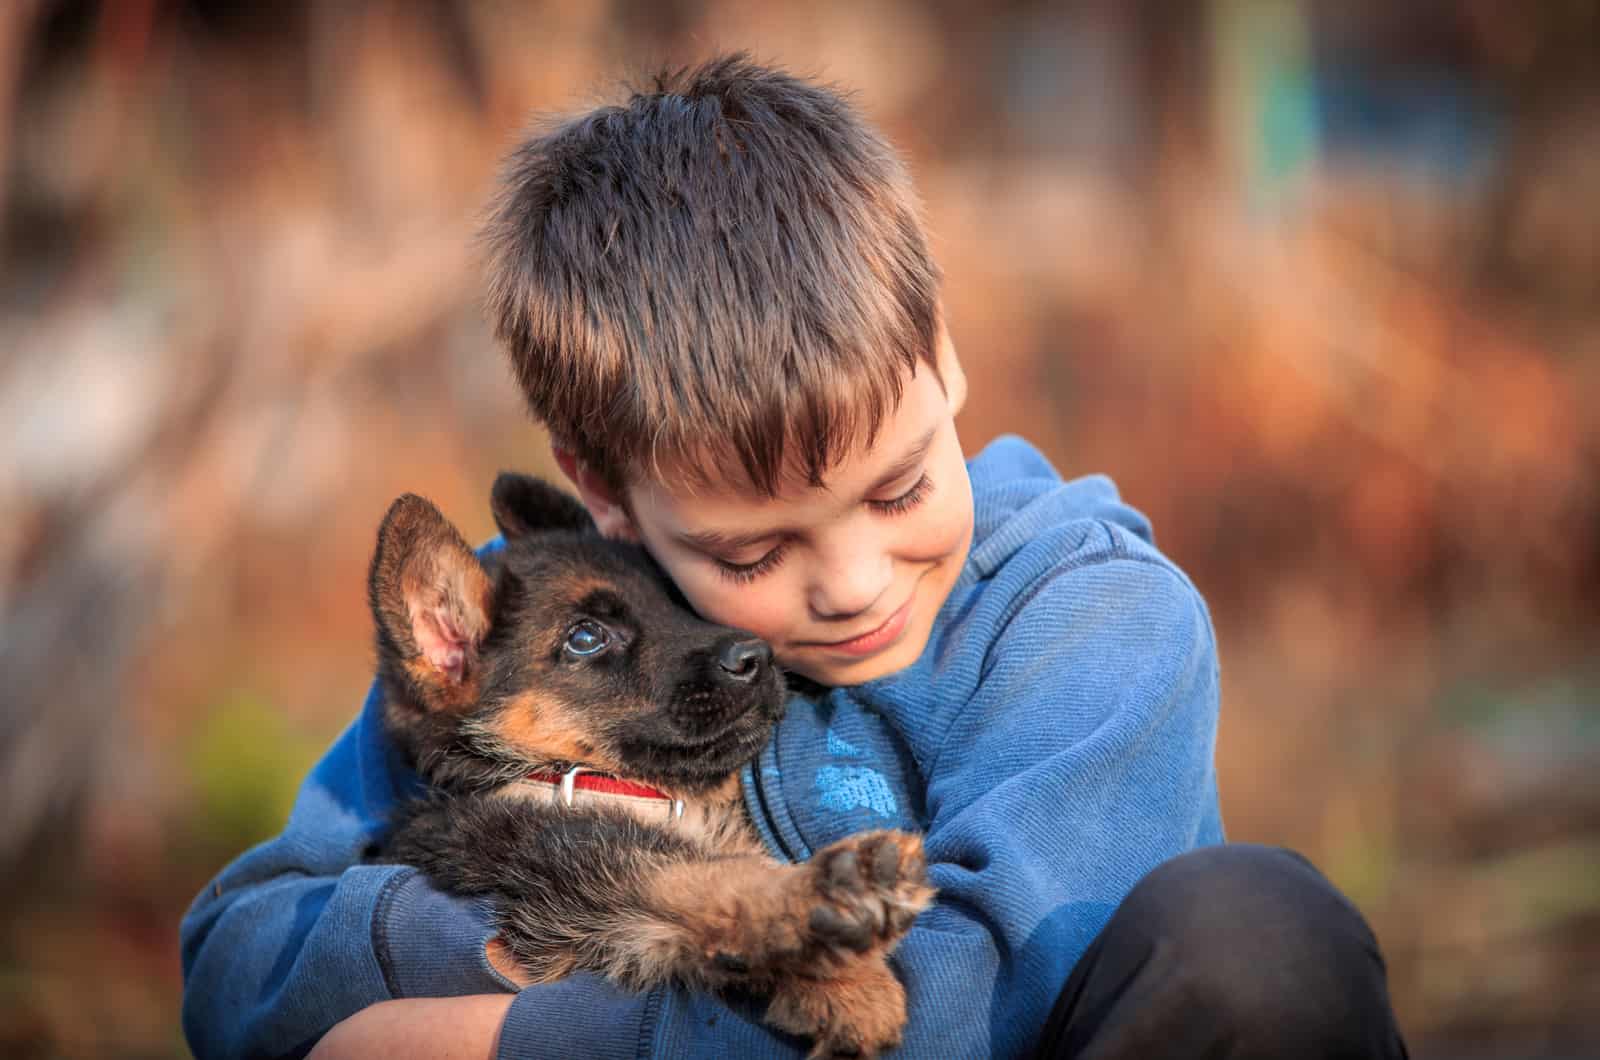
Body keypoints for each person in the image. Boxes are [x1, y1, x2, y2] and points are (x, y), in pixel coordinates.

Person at [180, 54, 1408, 1059]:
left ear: (941, 351)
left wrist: (509, 1039)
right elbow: (239, 955)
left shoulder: (1094, 620)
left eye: (902, 486)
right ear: (605, 493)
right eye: (755, 549)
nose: (856, 581)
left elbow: (946, 1007)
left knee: (1259, 937)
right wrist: (481, 943)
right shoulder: (558, 612)